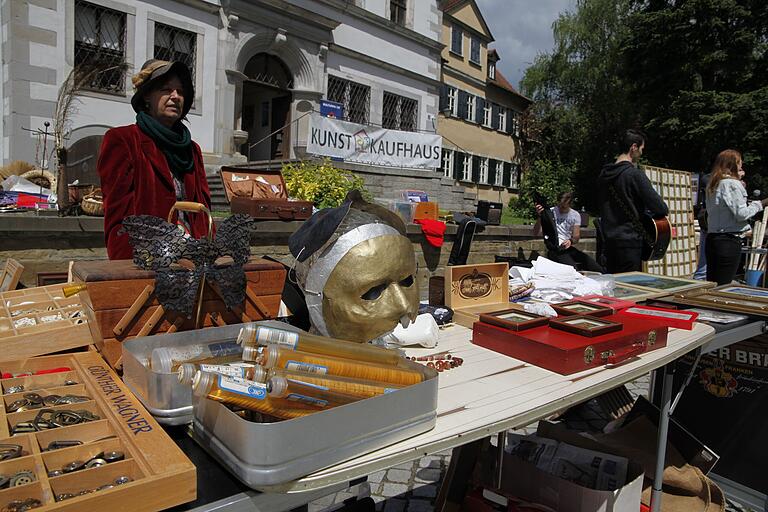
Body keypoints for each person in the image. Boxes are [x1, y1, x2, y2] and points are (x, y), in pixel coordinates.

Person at [97, 59, 211, 260]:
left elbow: (203, 212)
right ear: (147, 96)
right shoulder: (123, 140)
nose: (175, 96)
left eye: (180, 91)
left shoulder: (192, 150)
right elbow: (118, 219)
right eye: (166, 89)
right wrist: (130, 272)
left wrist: (210, 254)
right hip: (150, 261)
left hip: (195, 260)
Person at [597, 129, 668, 273]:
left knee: (613, 288)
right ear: (633, 147)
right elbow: (660, 208)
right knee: (630, 289)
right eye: (641, 149)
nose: (642, 153)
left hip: (607, 241)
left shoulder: (603, 176)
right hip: (629, 241)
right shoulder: (634, 175)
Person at [705, 149, 768, 285]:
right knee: (723, 285)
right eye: (739, 162)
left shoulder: (714, 183)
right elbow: (741, 214)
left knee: (712, 284)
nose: (741, 166)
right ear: (732, 164)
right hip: (728, 240)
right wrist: (761, 204)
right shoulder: (731, 184)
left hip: (713, 238)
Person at [533, 192, 603, 272]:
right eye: (560, 206)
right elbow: (536, 233)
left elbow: (576, 237)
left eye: (564, 207)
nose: (561, 209)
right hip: (555, 248)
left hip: (567, 247)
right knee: (573, 270)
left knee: (595, 267)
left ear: (570, 204)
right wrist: (540, 216)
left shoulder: (575, 215)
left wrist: (570, 241)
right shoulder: (550, 212)